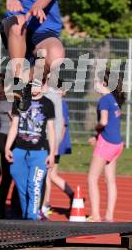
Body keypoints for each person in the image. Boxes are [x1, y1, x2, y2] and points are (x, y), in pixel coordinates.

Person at [5, 79, 55, 220]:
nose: (35, 88)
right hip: (19, 151)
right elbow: (14, 126)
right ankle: (26, 215)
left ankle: (33, 217)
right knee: (22, 187)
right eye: (33, 85)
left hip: (39, 152)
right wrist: (8, 147)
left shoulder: (48, 104)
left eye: (38, 85)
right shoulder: (20, 101)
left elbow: (51, 130)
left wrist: (52, 153)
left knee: (35, 185)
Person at [87, 69, 126, 222]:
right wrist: (97, 136)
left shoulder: (104, 100)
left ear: (104, 83)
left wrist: (95, 131)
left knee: (92, 178)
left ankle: (95, 215)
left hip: (107, 143)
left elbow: (103, 122)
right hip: (117, 143)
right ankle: (109, 216)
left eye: (97, 81)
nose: (95, 83)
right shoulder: (115, 99)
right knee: (110, 180)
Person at [42, 81, 74, 217]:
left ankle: (45, 204)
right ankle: (72, 195)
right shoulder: (56, 102)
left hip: (56, 144)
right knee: (52, 175)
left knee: (47, 176)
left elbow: (62, 127)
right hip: (56, 143)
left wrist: (55, 146)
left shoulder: (61, 104)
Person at [0, 74, 20, 219]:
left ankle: (2, 209)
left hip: (2, 137)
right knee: (10, 176)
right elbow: (15, 119)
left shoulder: (0, 99)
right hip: (6, 138)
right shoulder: (8, 102)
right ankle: (6, 209)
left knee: (8, 176)